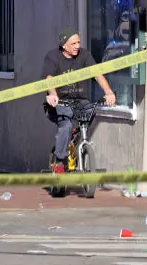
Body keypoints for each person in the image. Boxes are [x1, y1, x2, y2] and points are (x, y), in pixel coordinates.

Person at [43, 29, 116, 174]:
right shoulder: (53, 57)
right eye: (73, 43)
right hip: (59, 103)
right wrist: (52, 94)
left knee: (91, 110)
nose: (77, 46)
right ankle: (59, 160)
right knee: (66, 125)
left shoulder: (84, 55)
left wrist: (108, 92)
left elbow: (97, 73)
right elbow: (49, 79)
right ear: (64, 45)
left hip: (80, 101)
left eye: (78, 42)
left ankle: (76, 138)